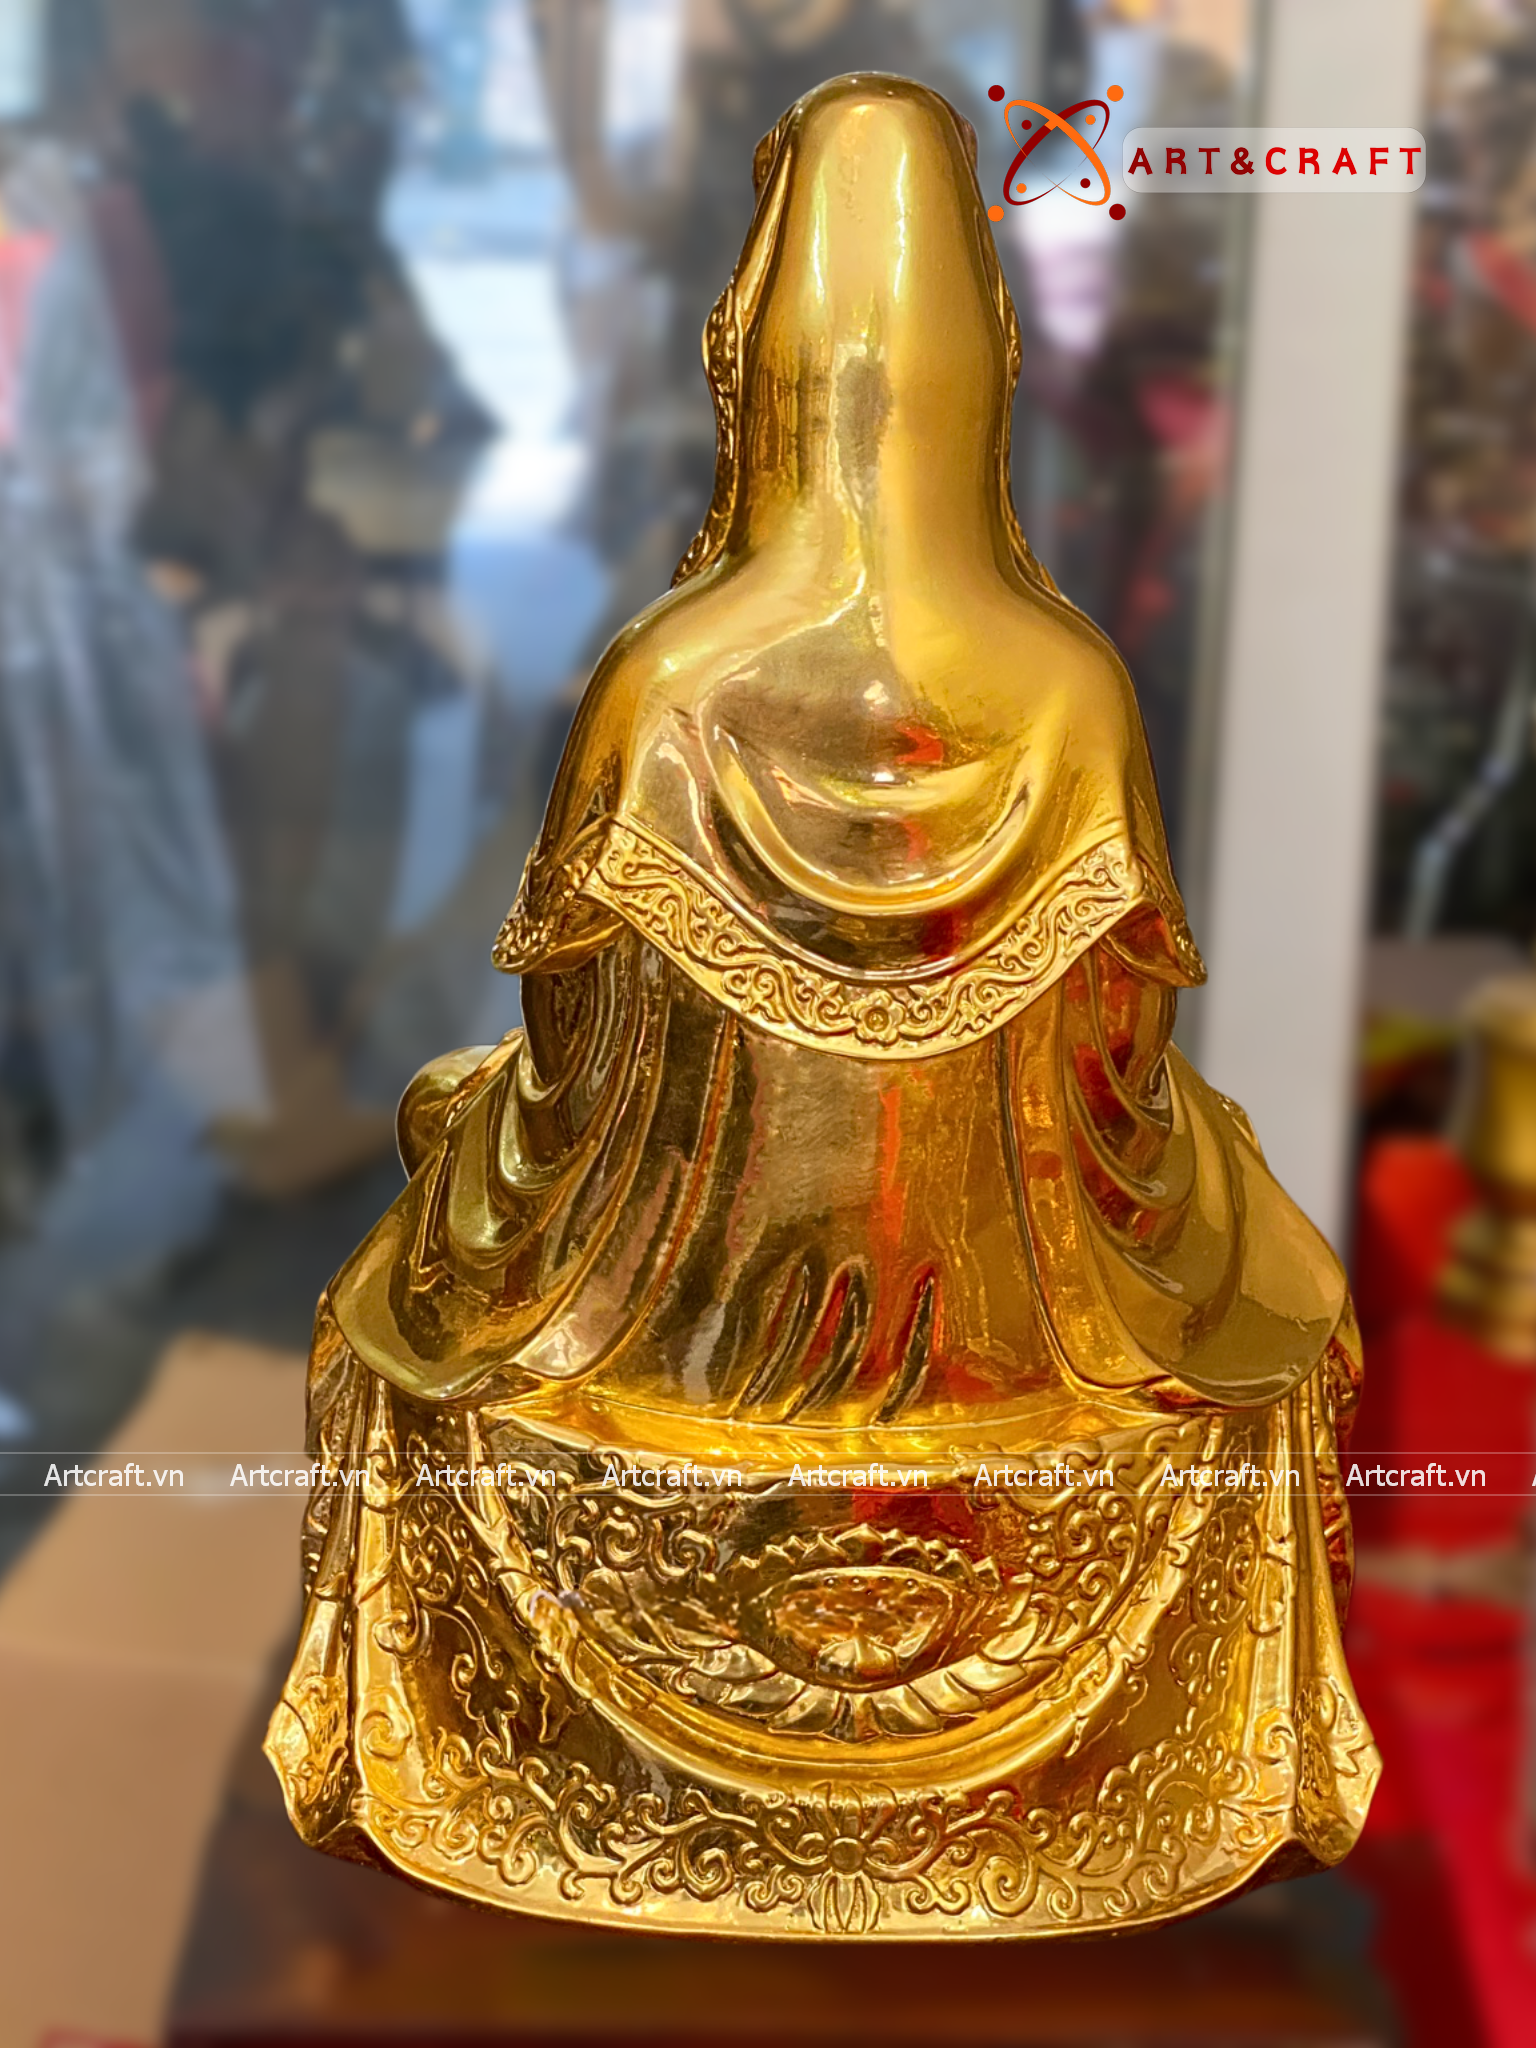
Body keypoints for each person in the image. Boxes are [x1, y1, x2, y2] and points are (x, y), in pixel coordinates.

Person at [268, 75, 1377, 1939]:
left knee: (447, 1181)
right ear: (983, 358)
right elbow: (1113, 1066)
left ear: (754, 356)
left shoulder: (668, 681)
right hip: (1031, 1347)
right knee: (1243, 1217)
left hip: (662, 1340)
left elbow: (575, 1055)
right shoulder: (1066, 684)